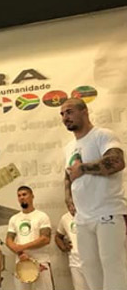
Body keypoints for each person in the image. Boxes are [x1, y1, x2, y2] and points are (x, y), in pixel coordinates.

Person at [61, 98, 127, 290]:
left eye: (69, 112)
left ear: (84, 111)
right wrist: (68, 198)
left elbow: (116, 162)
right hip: (83, 217)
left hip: (107, 211)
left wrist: (83, 168)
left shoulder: (102, 135)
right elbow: (68, 175)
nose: (65, 117)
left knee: (112, 264)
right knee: (89, 267)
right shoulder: (69, 147)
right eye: (62, 114)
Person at [5, 186, 53, 290]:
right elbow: (9, 240)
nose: (21, 197)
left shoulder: (42, 216)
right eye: (19, 195)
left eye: (24, 194)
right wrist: (20, 253)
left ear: (32, 196)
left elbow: (45, 239)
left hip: (40, 262)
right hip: (21, 262)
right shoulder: (14, 218)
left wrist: (22, 247)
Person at [55, 211, 89, 290]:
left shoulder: (89, 213)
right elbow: (58, 236)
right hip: (75, 261)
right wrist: (63, 247)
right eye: (69, 206)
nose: (71, 208)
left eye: (73, 205)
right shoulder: (65, 218)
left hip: (92, 260)